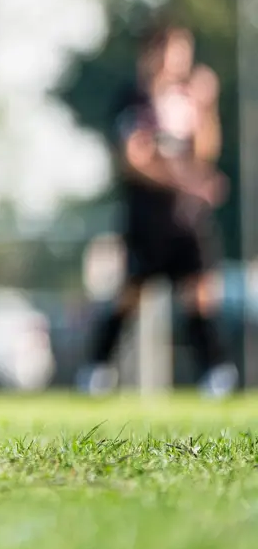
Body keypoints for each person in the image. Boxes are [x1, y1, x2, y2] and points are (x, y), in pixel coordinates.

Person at [81, 21, 236, 397]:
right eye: (168, 51)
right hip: (147, 217)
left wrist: (207, 108)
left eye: (182, 52)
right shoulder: (134, 100)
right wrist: (186, 182)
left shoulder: (186, 100)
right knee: (130, 295)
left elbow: (204, 152)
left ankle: (214, 373)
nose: (175, 60)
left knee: (199, 293)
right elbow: (133, 159)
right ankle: (97, 369)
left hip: (187, 218)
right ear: (150, 54)